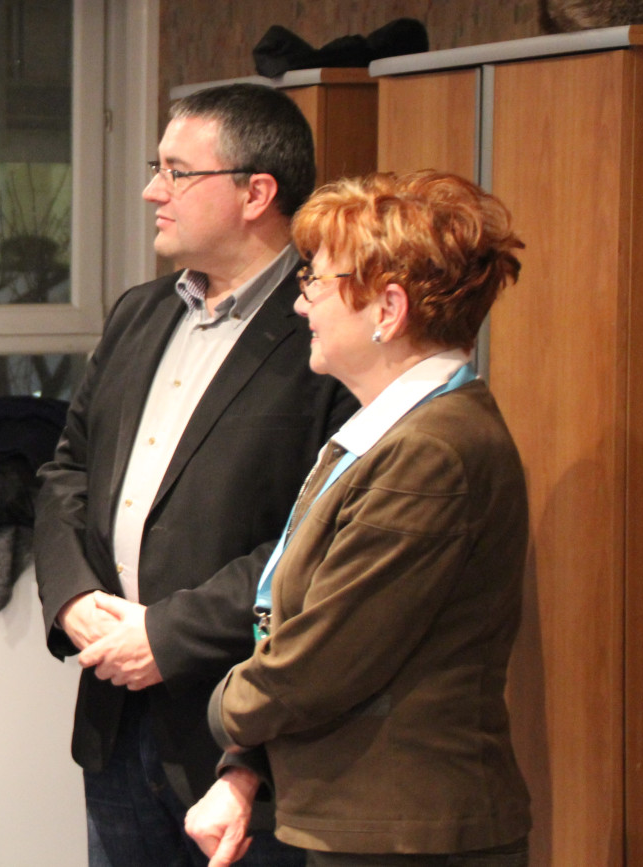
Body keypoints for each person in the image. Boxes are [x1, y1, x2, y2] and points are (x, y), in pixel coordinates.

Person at [33, 83, 358, 867]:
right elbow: (66, 471)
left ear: (256, 192)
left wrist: (166, 635)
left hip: (245, 738)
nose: (153, 190)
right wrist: (72, 595)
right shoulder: (139, 312)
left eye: (178, 172)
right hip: (114, 716)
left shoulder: (328, 330)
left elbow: (316, 541)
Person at [184, 170, 532, 867]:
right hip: (369, 820)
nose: (302, 301)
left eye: (316, 279)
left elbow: (324, 658)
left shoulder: (431, 452)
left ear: (388, 307)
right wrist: (243, 767)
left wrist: (223, 706)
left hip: (413, 834)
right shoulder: (392, 430)